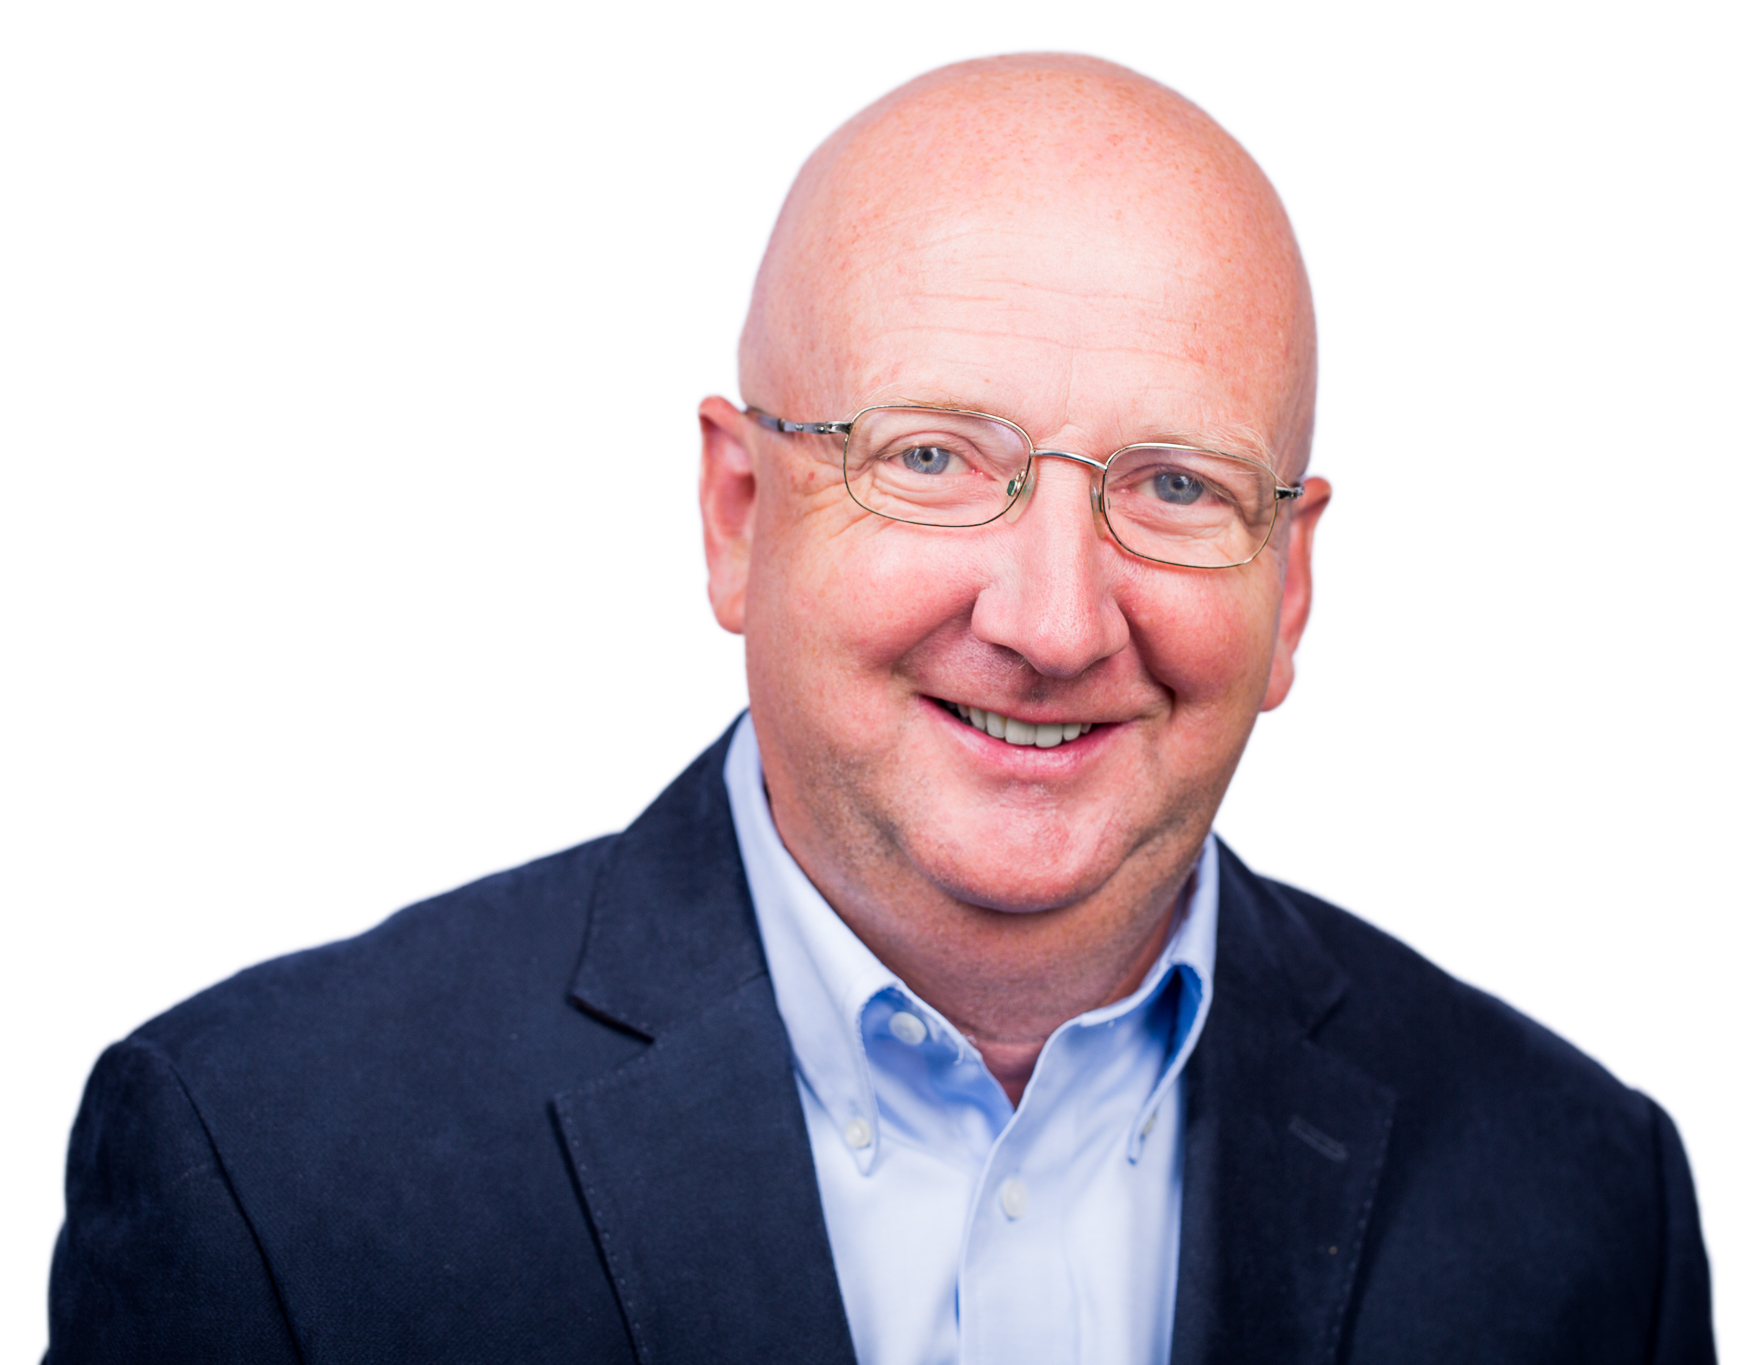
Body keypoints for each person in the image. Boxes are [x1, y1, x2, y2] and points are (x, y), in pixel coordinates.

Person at [46, 52, 1714, 1364]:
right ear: (738, 514)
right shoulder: (258, 1168)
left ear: (1291, 585)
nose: (1054, 622)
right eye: (932, 459)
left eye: (1177, 484)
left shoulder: (1585, 1202)